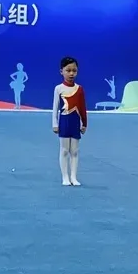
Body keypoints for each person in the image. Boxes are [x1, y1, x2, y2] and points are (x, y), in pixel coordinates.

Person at [52, 56, 87, 186]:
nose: (71, 73)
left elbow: (82, 108)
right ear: (61, 71)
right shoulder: (59, 88)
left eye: (74, 70)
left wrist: (84, 123)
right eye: (68, 70)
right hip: (64, 122)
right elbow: (55, 108)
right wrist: (55, 124)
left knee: (75, 151)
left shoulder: (79, 89)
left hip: (75, 122)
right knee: (64, 150)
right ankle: (65, 177)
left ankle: (73, 177)